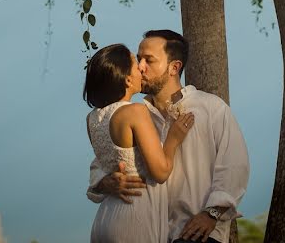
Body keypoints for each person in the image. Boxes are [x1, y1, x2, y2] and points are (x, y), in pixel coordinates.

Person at [88, 30, 250, 243]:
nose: (140, 67)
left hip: (197, 233)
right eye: (138, 59)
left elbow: (234, 165)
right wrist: (104, 183)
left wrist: (211, 213)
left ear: (174, 67)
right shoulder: (133, 113)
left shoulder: (211, 108)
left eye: (149, 60)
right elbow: (102, 162)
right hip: (146, 231)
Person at [84, 43, 196, 243]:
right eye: (137, 64)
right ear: (127, 79)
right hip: (135, 217)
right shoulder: (135, 112)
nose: (142, 68)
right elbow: (160, 172)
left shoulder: (92, 119)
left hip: (105, 218)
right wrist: (173, 138)